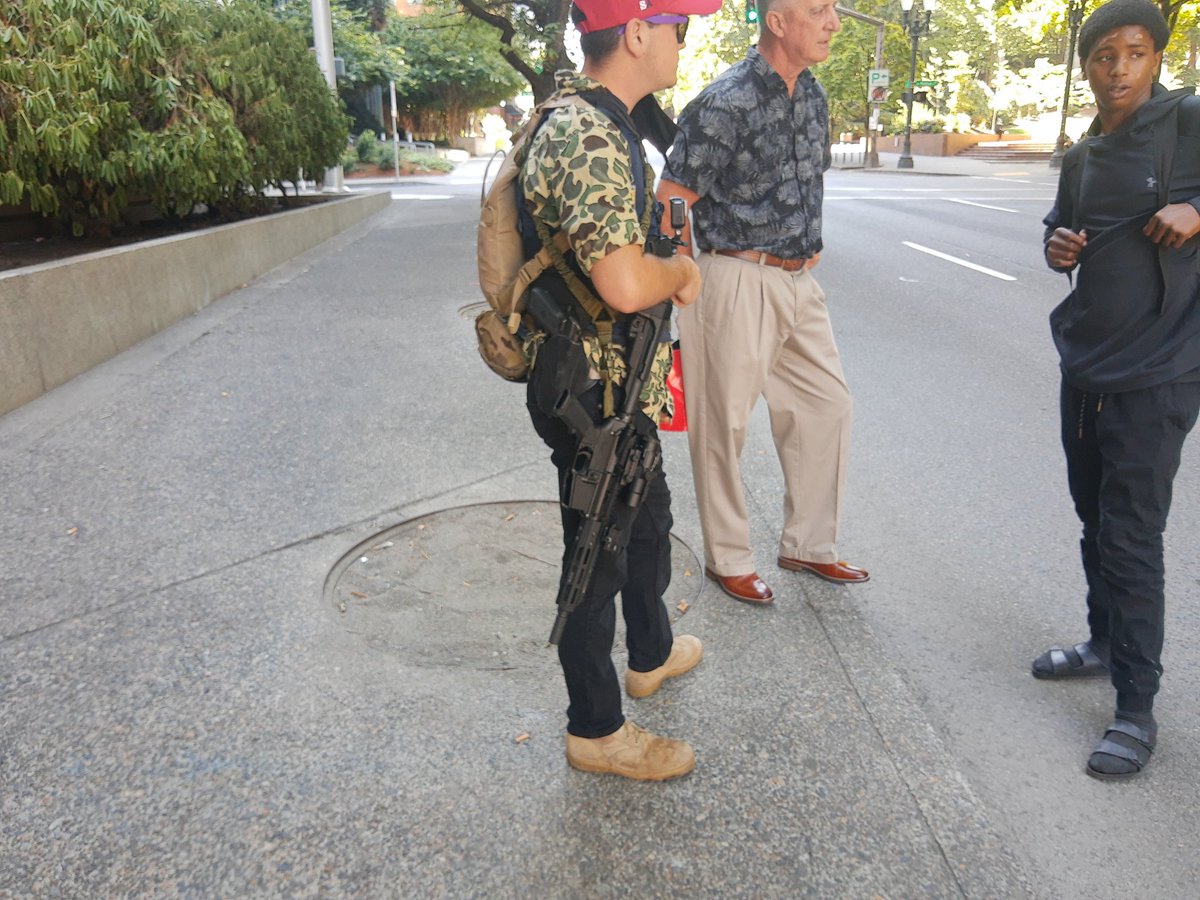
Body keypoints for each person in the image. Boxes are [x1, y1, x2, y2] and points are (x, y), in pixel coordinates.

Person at [519, 0, 720, 781]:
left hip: (612, 382)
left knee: (646, 518)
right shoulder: (588, 134)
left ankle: (651, 653)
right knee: (596, 548)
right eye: (679, 26)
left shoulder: (600, 120)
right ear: (636, 33)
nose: (683, 42)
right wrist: (683, 272)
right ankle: (596, 728)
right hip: (587, 388)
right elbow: (627, 281)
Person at [655, 0, 867, 606]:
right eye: (818, 10)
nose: (833, 21)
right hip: (736, 278)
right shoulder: (726, 100)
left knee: (828, 406)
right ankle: (729, 557)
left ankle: (809, 544)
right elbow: (672, 197)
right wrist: (677, 276)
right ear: (778, 22)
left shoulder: (813, 95)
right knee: (724, 425)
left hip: (801, 282)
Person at [1036, 0, 1200, 781]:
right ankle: (1105, 644)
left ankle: (1136, 709)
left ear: (1156, 58)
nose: (1120, 69)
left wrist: (1195, 207)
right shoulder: (1082, 155)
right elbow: (1057, 236)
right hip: (1087, 365)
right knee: (1093, 515)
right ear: (1086, 66)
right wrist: (1057, 245)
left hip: (1160, 369)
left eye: (1135, 53)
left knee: (1131, 534)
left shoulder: (1186, 122)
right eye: (1104, 56)